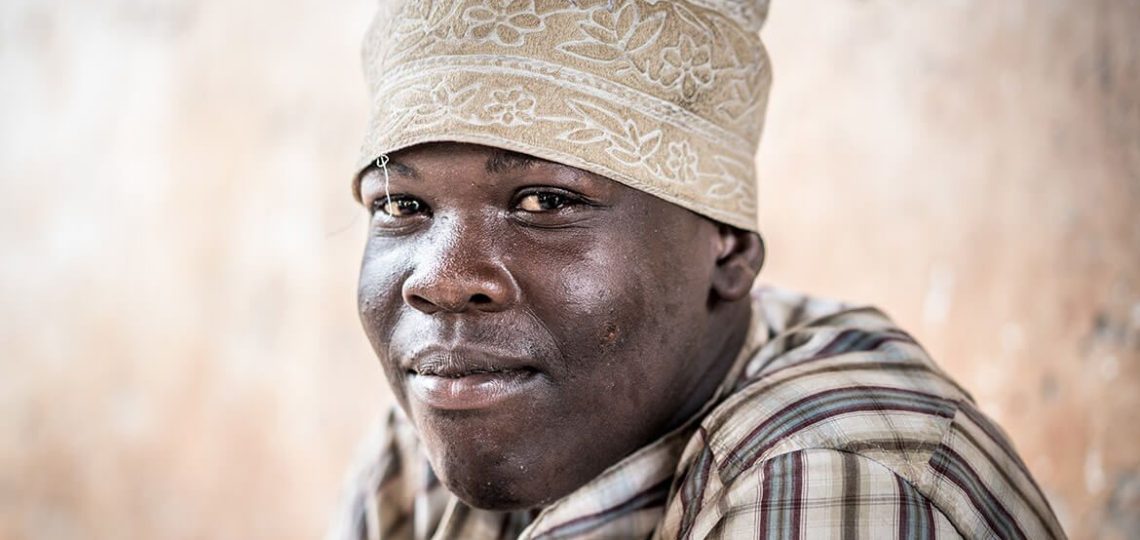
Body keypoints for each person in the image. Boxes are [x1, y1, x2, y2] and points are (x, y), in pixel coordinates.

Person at [329, 1, 1066, 538]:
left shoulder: (823, 478)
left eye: (546, 201)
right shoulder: (439, 428)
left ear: (729, 248)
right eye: (400, 206)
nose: (440, 280)